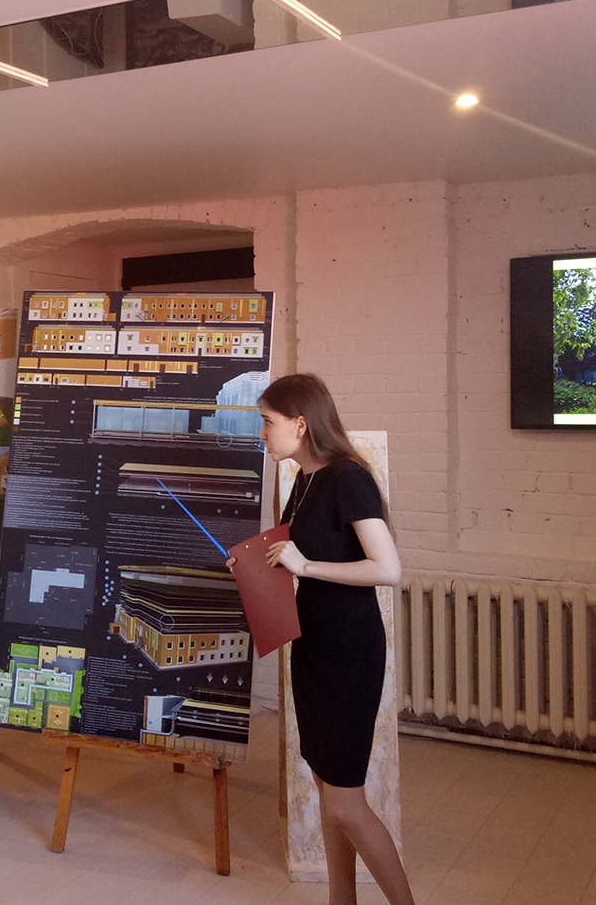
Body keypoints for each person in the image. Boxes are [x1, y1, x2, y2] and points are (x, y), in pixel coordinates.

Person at [238, 373, 414, 905]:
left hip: (348, 651)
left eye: (267, 422)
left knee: (344, 802)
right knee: (325, 789)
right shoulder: (303, 481)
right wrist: (255, 566)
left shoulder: (347, 478)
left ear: (300, 423)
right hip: (313, 646)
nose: (262, 434)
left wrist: (306, 565)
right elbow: (293, 561)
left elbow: (388, 569)